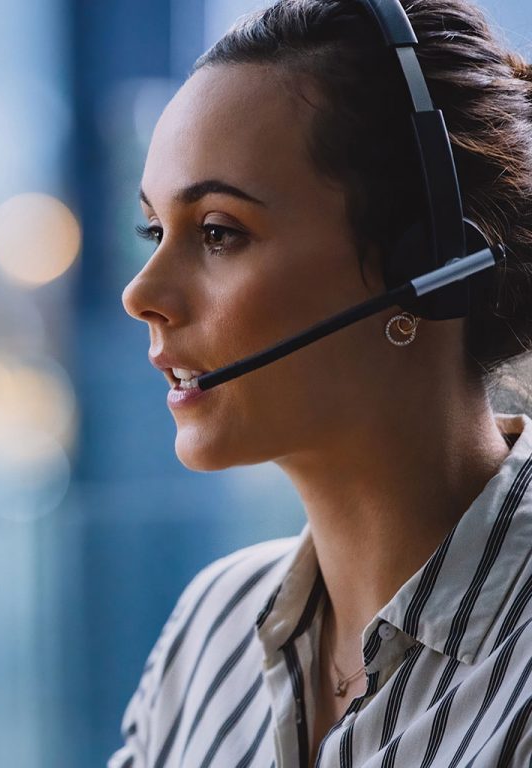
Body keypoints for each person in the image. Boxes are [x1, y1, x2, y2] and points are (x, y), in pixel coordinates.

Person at [107, 0, 532, 765]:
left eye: (216, 232)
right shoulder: (211, 628)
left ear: (426, 269)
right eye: (152, 231)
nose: (141, 293)